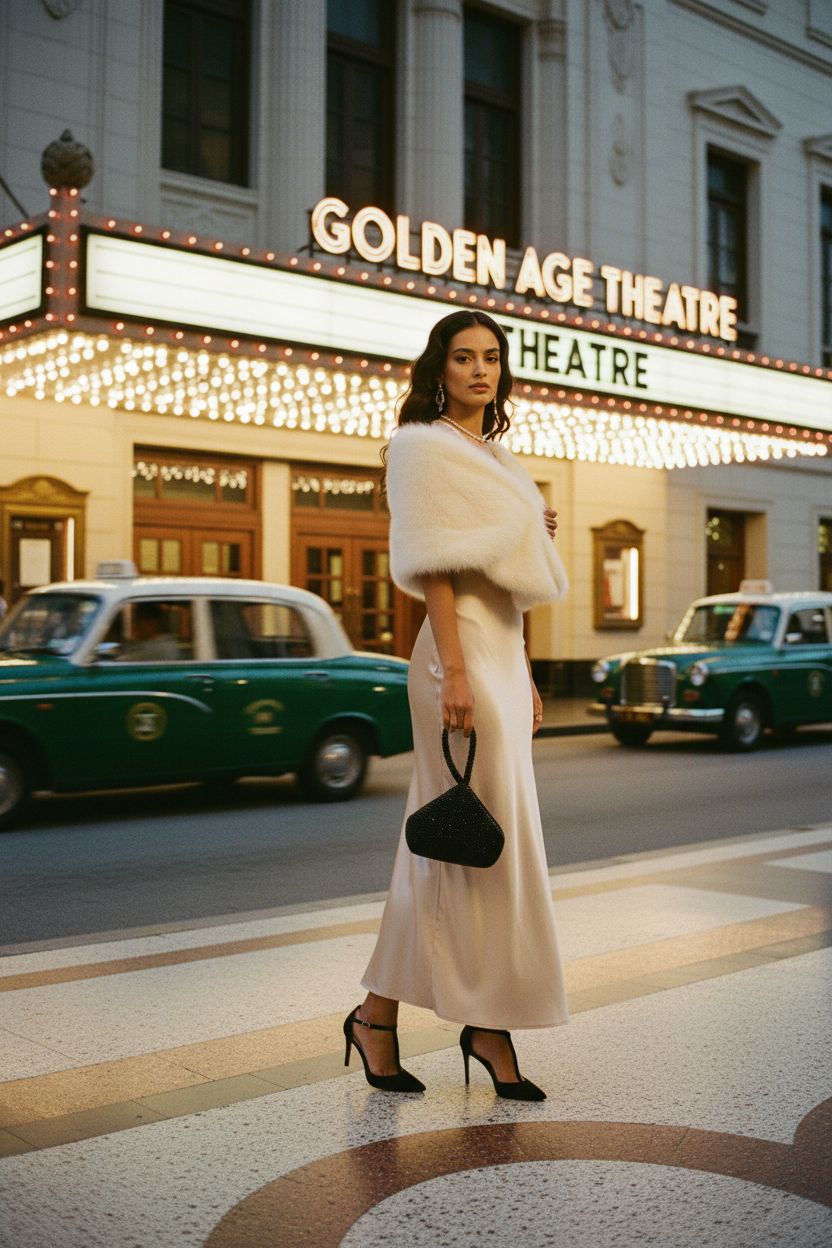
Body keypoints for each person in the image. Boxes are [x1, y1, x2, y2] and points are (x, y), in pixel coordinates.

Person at [344, 310, 569, 1100]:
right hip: (456, 652)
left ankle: (381, 1016)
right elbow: (437, 570)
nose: (481, 369)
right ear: (439, 367)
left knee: (454, 841)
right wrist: (457, 672)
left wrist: (527, 670)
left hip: (501, 652)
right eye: (465, 356)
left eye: (493, 358)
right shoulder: (420, 447)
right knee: (477, 840)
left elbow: (516, 575)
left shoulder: (499, 457)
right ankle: (485, 1025)